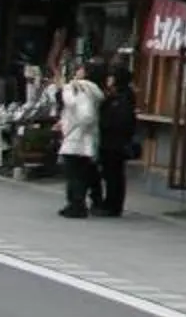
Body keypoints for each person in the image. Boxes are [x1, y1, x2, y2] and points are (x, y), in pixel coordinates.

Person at [50, 65, 103, 219]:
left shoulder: (81, 89)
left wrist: (71, 125)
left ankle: (76, 205)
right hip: (84, 139)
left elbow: (85, 115)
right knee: (79, 173)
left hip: (76, 139)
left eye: (80, 70)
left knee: (74, 174)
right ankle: (76, 204)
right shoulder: (90, 90)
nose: (76, 73)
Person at [91, 62, 138, 217]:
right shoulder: (116, 96)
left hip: (115, 143)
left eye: (112, 77)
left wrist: (104, 123)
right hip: (111, 142)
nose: (109, 80)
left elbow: (120, 121)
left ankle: (113, 205)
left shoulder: (122, 98)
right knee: (111, 174)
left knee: (114, 175)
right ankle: (110, 203)